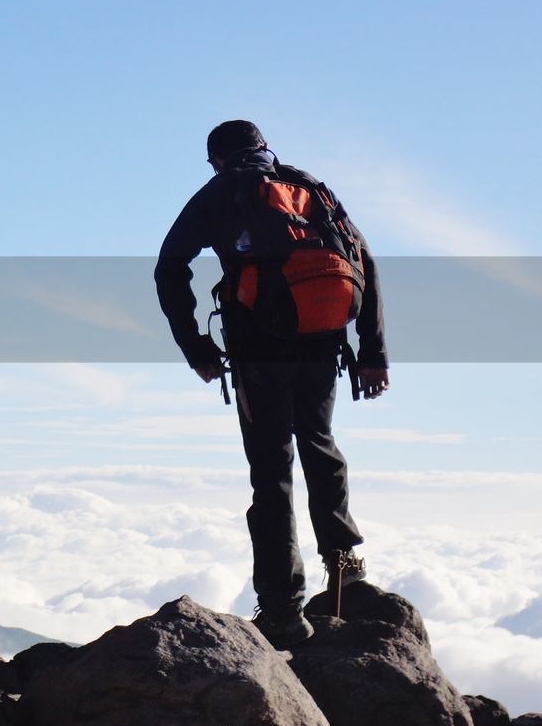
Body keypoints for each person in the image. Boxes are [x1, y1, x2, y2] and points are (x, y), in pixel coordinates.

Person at [153, 120, 389, 648]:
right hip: (323, 346)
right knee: (320, 446)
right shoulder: (310, 189)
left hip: (259, 353)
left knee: (271, 472)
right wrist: (373, 352)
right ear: (264, 148)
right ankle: (346, 568)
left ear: (216, 159)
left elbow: (170, 268)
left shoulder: (219, 194)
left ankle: (283, 608)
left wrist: (196, 348)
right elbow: (364, 263)